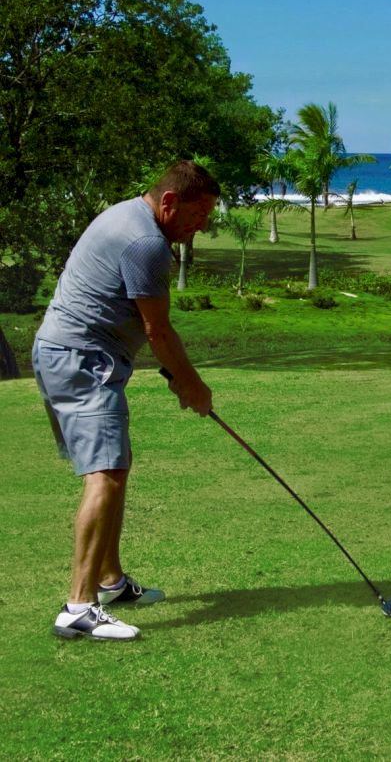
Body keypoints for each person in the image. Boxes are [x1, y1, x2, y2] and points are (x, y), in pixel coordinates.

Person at [33, 160, 219, 641]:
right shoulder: (146, 243)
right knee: (107, 472)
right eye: (197, 214)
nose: (201, 225)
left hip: (71, 354)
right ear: (169, 202)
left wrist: (179, 378)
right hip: (81, 359)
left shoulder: (125, 215)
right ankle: (78, 605)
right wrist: (192, 385)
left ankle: (110, 581)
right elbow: (158, 329)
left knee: (116, 464)